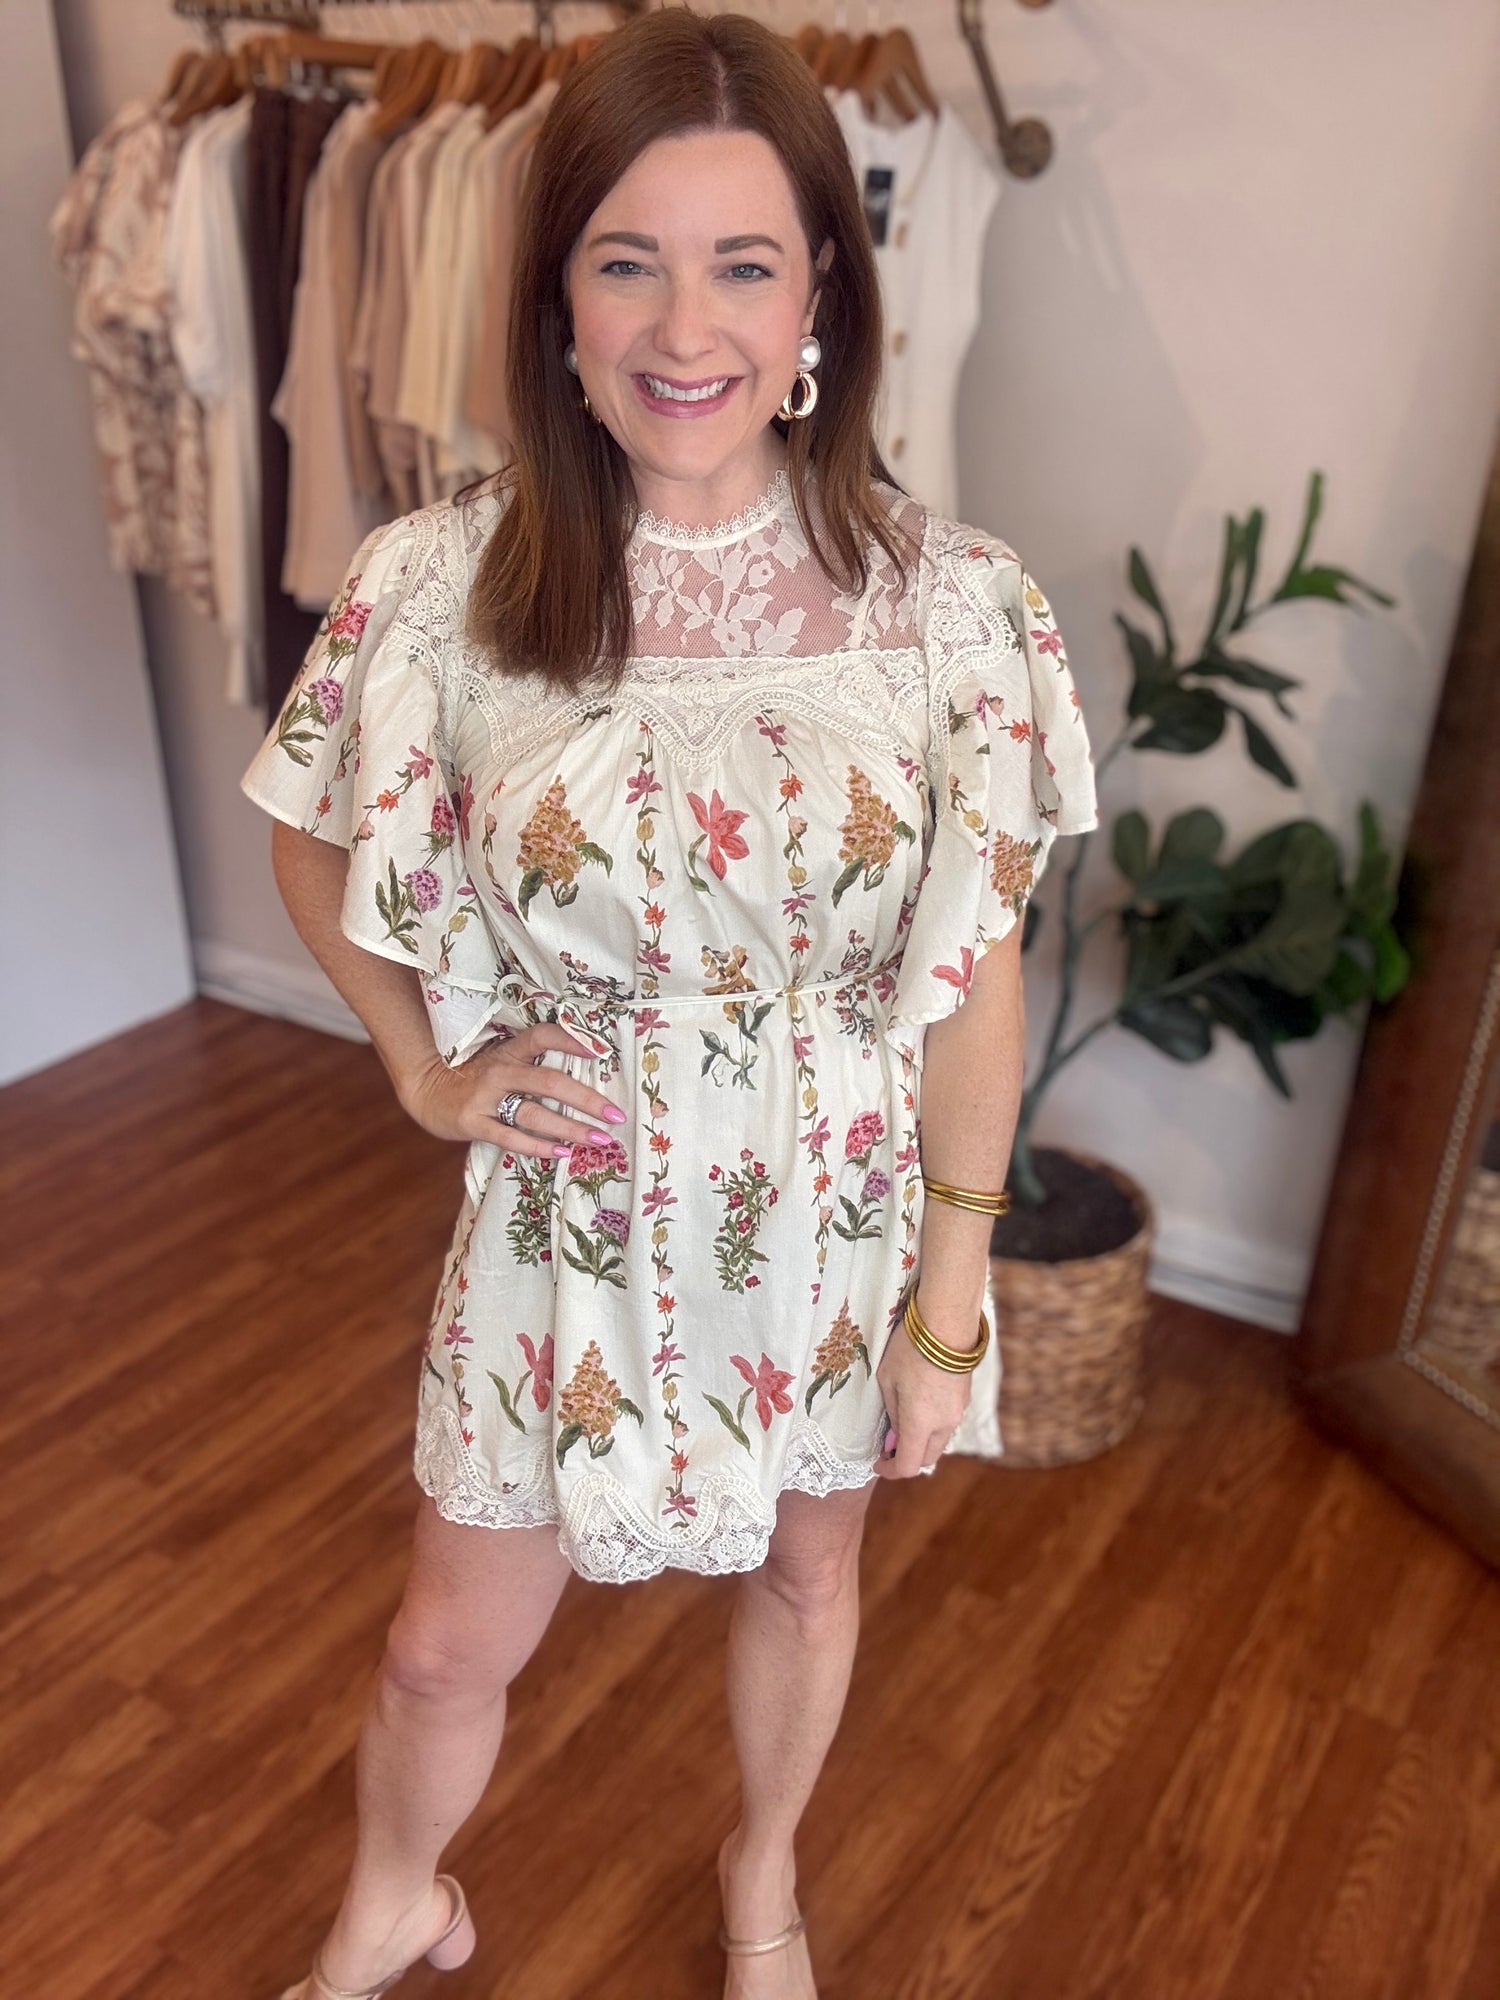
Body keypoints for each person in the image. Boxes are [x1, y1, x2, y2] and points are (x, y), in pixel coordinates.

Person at [246, 11, 1097, 1998]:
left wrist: (951, 1302)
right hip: (566, 1213)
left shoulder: (948, 604)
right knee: (441, 1646)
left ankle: (763, 1875)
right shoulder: (442, 583)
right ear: (557, 299)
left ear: (823, 298)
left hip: (831, 1207)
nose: (684, 326)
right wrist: (425, 1069)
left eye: (744, 263)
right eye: (627, 260)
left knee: (809, 1570)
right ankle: (394, 1898)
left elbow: (971, 973)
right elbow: (307, 832)